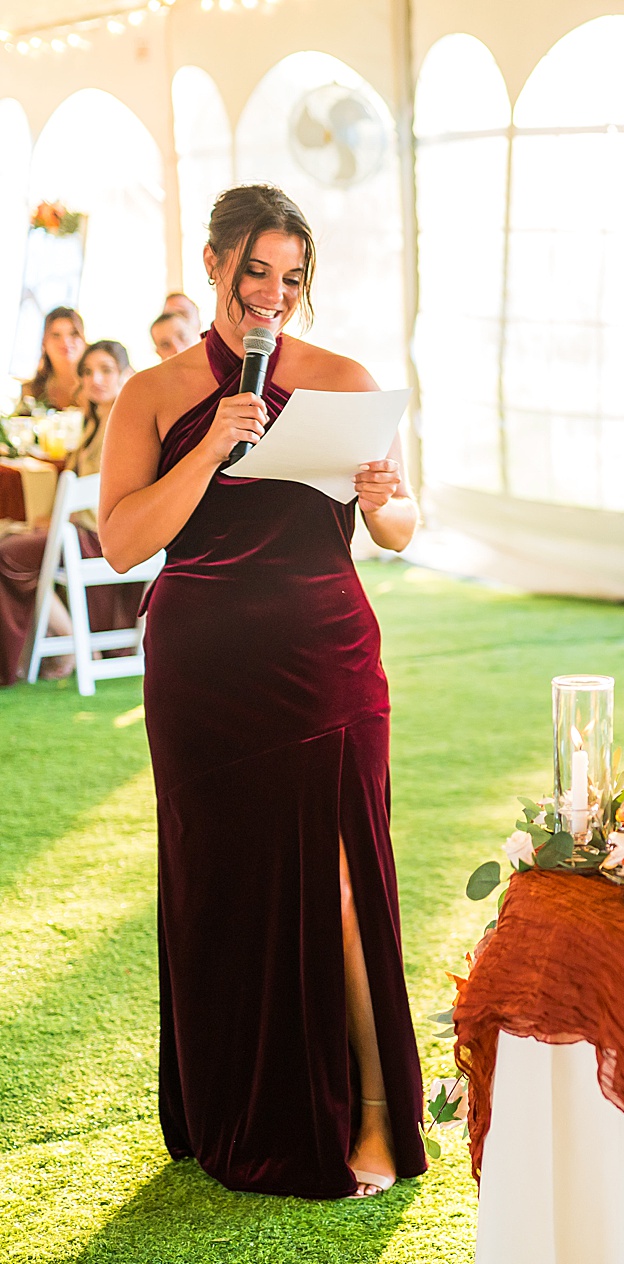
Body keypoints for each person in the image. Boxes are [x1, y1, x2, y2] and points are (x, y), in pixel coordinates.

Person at [98, 184, 425, 1199]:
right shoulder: (152, 394)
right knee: (224, 886)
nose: (271, 297)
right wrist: (210, 446)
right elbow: (121, 542)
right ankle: (231, 1104)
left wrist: (386, 502)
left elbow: (402, 527)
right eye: (254, 273)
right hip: (205, 673)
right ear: (213, 264)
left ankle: (367, 1114)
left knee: (338, 878)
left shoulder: (344, 381)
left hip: (326, 657)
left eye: (291, 279)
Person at [0, 339, 139, 685]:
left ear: (124, 375)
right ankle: (72, 642)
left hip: (100, 536)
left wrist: (67, 518)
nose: (96, 379)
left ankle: (74, 644)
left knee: (8, 554)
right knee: (11, 537)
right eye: (88, 372)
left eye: (106, 370)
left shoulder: (127, 425)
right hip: (77, 531)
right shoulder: (90, 426)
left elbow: (112, 495)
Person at [14, 306, 86, 413]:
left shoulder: (97, 388)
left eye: (73, 333)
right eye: (56, 335)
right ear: (44, 342)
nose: (65, 342)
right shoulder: (32, 391)